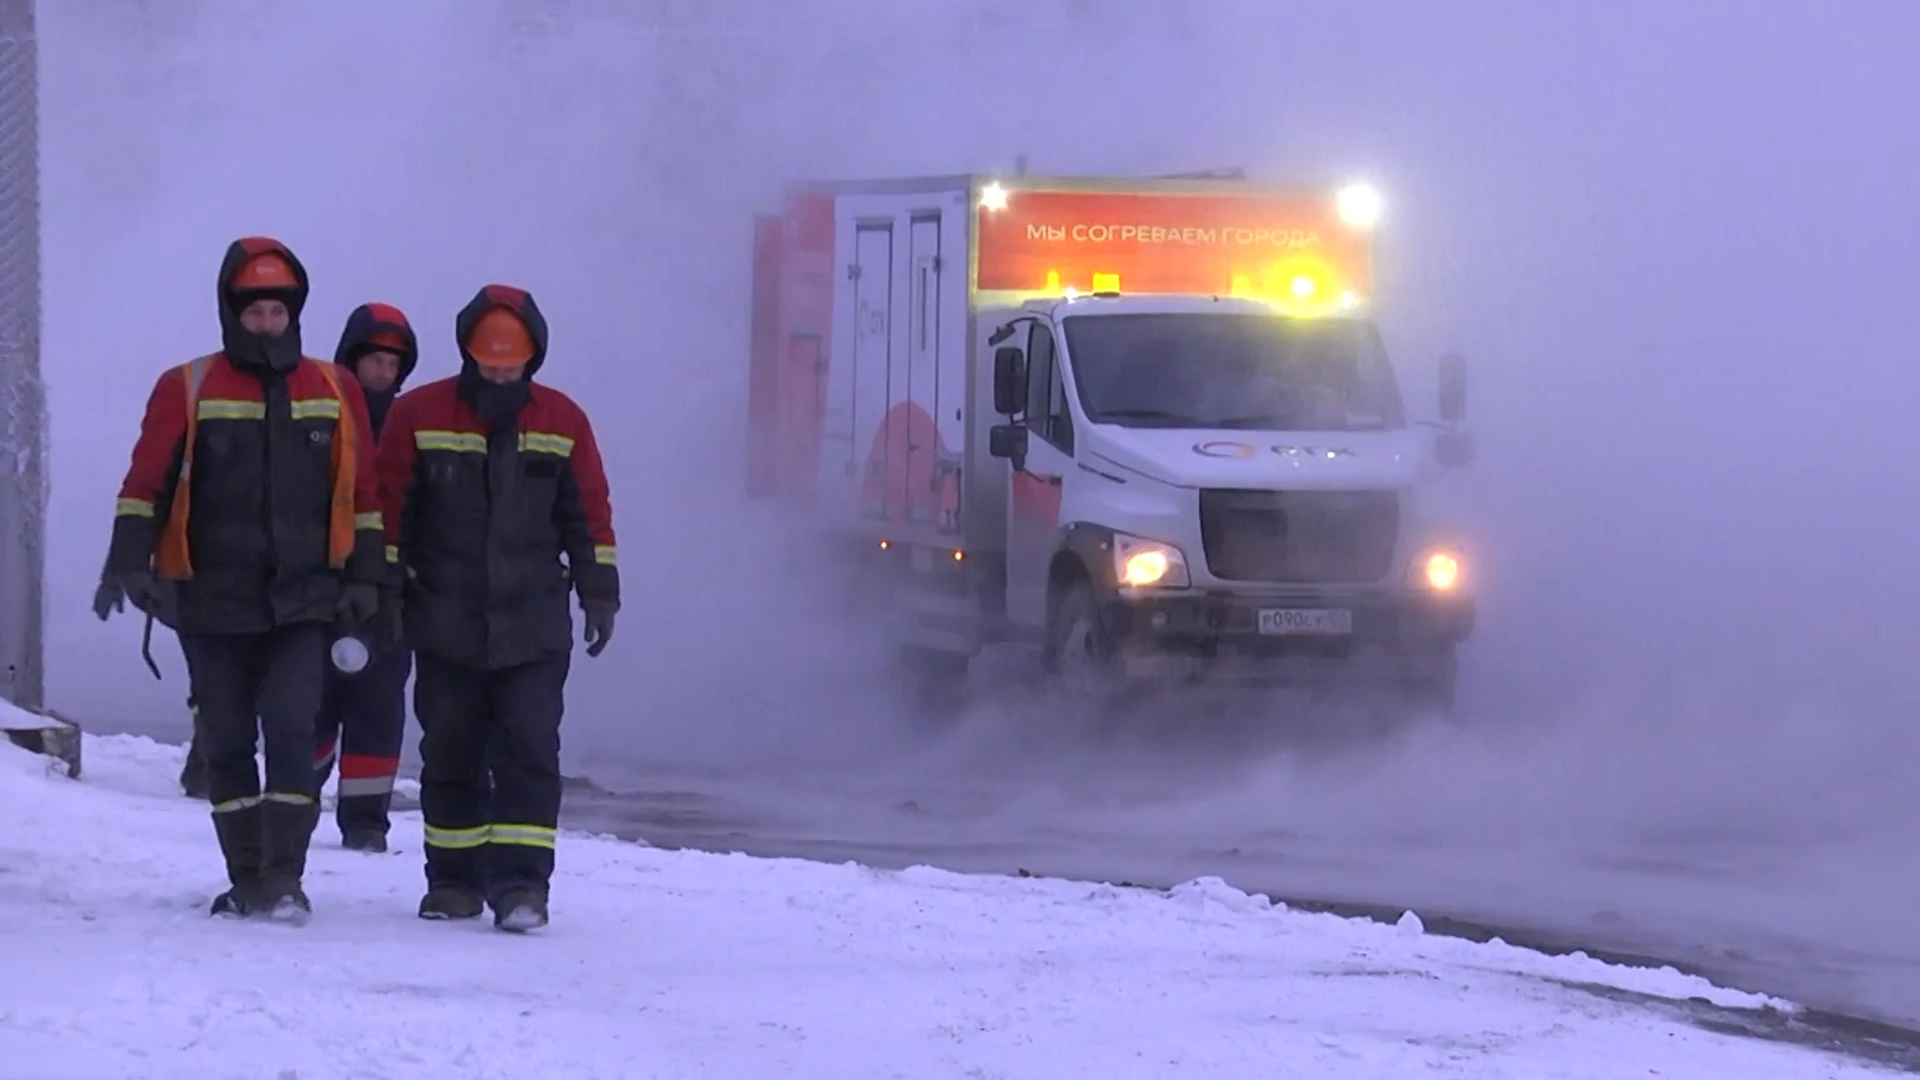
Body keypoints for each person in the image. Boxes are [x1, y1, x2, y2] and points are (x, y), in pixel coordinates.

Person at [100, 237, 385, 921]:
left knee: (291, 732)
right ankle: (248, 874)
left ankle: (285, 876)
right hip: (210, 602)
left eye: (277, 312)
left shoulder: (335, 387)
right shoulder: (187, 385)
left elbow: (364, 494)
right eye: (254, 311)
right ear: (232, 312)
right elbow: (147, 483)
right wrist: (127, 561)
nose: (266, 324)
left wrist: (368, 579)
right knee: (227, 742)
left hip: (304, 601)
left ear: (295, 314)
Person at [376, 283, 618, 932]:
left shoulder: (563, 422)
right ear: (468, 355)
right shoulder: (419, 416)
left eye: (512, 366)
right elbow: (389, 511)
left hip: (532, 624)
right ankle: (453, 882)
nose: (502, 375)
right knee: (450, 750)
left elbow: (587, 513)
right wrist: (383, 591)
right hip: (445, 619)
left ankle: (521, 887)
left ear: (533, 358)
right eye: (491, 365)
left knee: (530, 750)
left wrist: (600, 591)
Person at [312, 302, 419, 853]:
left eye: (390, 363)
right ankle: (296, 799)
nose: (381, 372)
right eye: (371, 360)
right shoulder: (317, 416)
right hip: (318, 582)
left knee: (378, 705)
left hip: (391, 591)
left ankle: (365, 823)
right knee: (310, 699)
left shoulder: (416, 425)